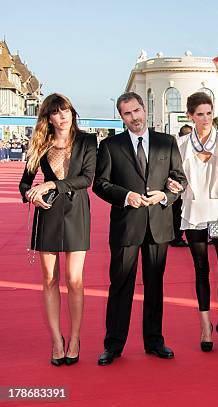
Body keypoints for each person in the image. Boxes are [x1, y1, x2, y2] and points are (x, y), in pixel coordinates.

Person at [93, 92, 187, 365]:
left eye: (136, 111)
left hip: (159, 224)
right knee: (121, 285)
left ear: (144, 109)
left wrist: (166, 196)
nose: (134, 117)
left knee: (155, 285)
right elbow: (100, 184)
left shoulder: (166, 142)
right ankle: (113, 345)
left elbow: (180, 179)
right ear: (121, 117)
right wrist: (126, 196)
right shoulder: (110, 146)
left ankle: (154, 341)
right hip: (126, 226)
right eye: (127, 113)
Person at [19, 93, 97, 366]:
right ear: (48, 118)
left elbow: (86, 178)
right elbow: (25, 183)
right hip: (47, 214)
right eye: (56, 112)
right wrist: (32, 195)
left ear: (72, 113)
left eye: (66, 111)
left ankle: (74, 338)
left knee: (75, 280)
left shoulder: (87, 140)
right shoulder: (40, 144)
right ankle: (56, 339)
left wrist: (51, 185)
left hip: (76, 213)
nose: (62, 116)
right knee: (50, 279)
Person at [169, 93, 218, 352]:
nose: (205, 119)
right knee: (201, 270)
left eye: (209, 113)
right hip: (193, 214)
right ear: (190, 116)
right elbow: (174, 179)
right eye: (200, 114)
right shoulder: (180, 145)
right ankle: (205, 326)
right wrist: (172, 185)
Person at [169, 124, 193, 247]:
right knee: (179, 213)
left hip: (179, 184)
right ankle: (176, 237)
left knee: (177, 213)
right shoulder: (180, 145)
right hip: (181, 185)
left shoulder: (174, 145)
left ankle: (175, 237)